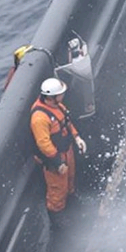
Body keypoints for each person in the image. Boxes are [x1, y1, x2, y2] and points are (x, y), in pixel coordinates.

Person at [30, 77, 86, 218]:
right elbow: (43, 143)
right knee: (57, 190)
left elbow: (66, 123)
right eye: (60, 94)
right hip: (55, 159)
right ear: (51, 97)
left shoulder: (59, 107)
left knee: (70, 179)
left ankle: (72, 202)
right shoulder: (40, 118)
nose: (63, 95)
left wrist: (77, 137)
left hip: (67, 151)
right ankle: (58, 218)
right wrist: (58, 162)